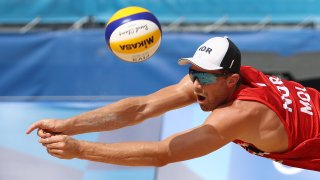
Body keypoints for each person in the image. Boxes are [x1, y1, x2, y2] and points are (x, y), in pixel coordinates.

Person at [26, 37, 320, 171]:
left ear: (231, 81)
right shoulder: (216, 82)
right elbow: (141, 108)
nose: (195, 83)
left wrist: (81, 150)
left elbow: (162, 153)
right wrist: (68, 125)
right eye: (193, 71)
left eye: (204, 75)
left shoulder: (240, 113)